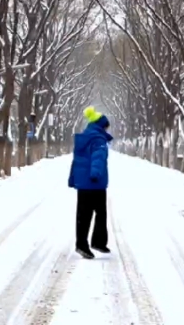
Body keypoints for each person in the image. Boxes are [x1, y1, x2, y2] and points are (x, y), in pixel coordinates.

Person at [68, 106, 113, 259]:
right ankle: (96, 242)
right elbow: (98, 158)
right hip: (95, 182)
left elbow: (78, 160)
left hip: (83, 183)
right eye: (106, 126)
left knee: (83, 214)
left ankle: (83, 243)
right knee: (100, 213)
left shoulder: (85, 137)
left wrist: (74, 178)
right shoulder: (98, 139)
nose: (107, 129)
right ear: (102, 126)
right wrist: (95, 174)